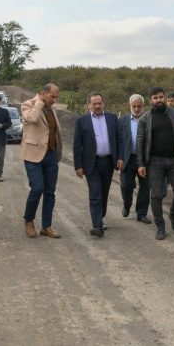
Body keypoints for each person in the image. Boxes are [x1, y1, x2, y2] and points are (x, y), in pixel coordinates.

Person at [137, 87, 174, 240]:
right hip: (154, 162)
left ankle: (173, 215)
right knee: (156, 196)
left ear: (164, 98)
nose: (159, 100)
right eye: (155, 98)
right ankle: (160, 226)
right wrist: (141, 164)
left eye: (161, 97)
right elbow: (140, 142)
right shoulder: (145, 118)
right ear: (151, 100)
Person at [73, 93, 123, 238]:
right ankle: (97, 226)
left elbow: (119, 139)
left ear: (103, 103)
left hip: (108, 162)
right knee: (95, 193)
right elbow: (77, 145)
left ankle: (100, 217)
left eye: (99, 103)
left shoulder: (112, 118)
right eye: (94, 103)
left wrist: (120, 157)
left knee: (104, 193)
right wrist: (78, 166)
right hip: (91, 163)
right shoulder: (82, 121)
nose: (97, 106)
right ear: (89, 105)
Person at [21, 83, 62, 239]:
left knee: (50, 192)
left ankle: (46, 226)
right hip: (33, 155)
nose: (54, 100)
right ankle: (29, 220)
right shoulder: (28, 105)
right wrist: (39, 102)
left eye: (56, 97)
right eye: (52, 97)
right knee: (37, 188)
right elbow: (32, 118)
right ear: (42, 93)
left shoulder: (53, 108)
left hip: (51, 154)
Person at [118, 94, 151, 224]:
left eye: (139, 106)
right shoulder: (122, 121)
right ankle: (127, 204)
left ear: (143, 106)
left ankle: (141, 214)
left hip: (145, 159)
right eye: (134, 106)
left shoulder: (149, 119)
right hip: (128, 158)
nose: (136, 109)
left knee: (145, 187)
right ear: (130, 105)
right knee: (126, 185)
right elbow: (118, 141)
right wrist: (119, 158)